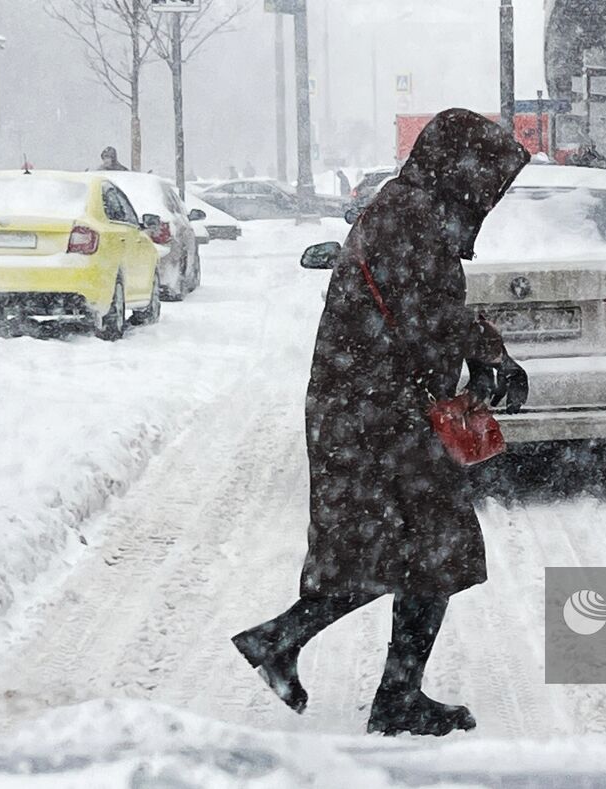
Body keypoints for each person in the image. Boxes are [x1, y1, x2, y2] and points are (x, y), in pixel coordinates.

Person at [232, 109, 531, 737]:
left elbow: (423, 310)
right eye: (487, 181)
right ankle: (385, 692)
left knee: (395, 550)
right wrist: (488, 355)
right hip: (371, 414)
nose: (487, 199)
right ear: (460, 168)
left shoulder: (408, 209)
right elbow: (426, 314)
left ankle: (286, 644)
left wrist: (478, 355)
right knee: (428, 547)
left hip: (369, 409)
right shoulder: (411, 215)